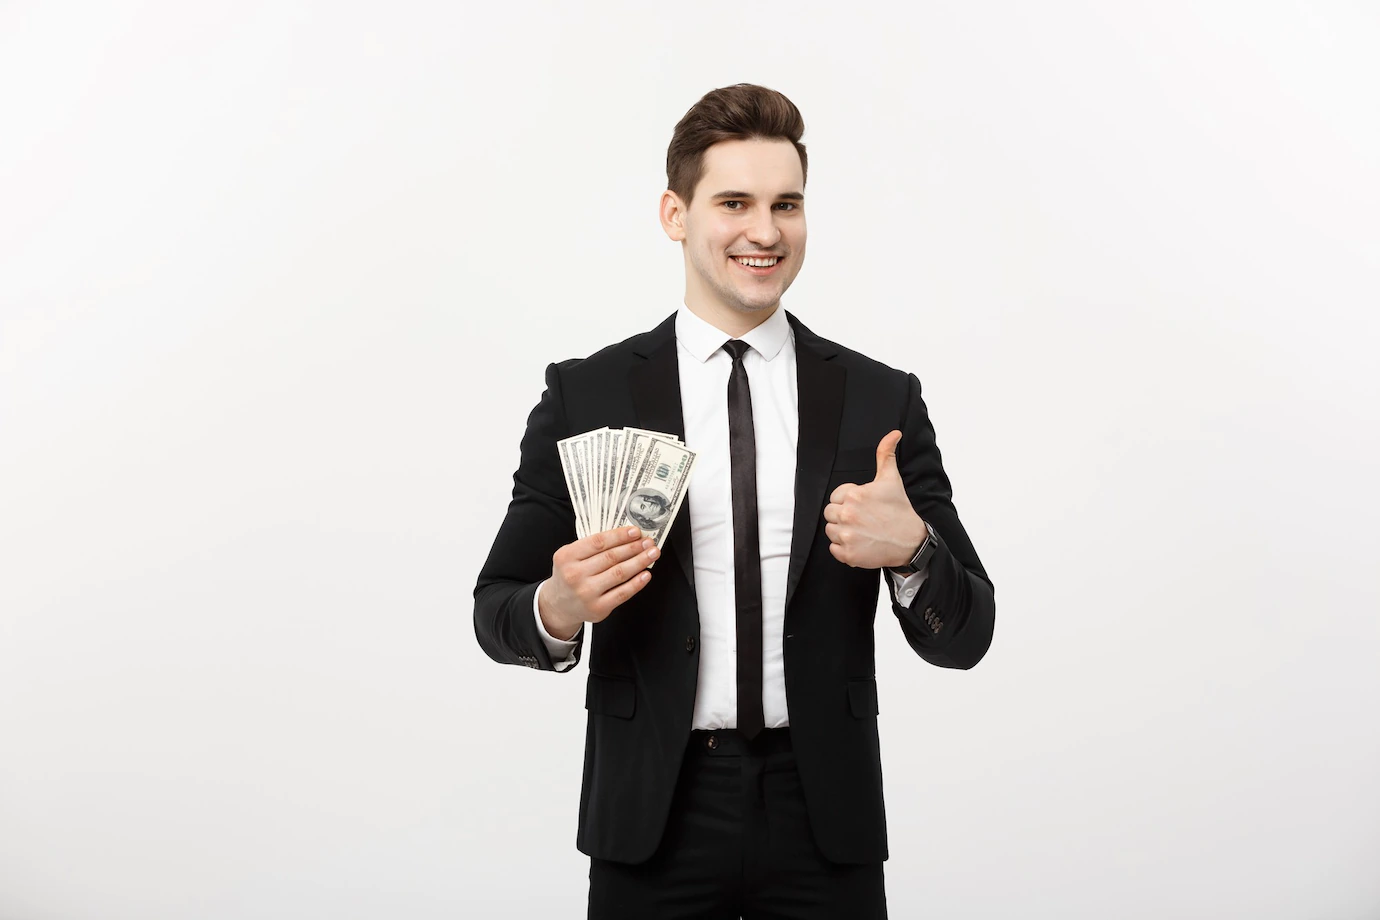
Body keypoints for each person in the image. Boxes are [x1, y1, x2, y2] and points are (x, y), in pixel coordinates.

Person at [474, 83, 995, 920]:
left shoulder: (878, 401)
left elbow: (970, 634)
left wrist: (914, 554)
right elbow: (494, 609)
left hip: (824, 814)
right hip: (652, 811)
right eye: (735, 202)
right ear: (675, 215)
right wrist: (559, 606)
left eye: (786, 203)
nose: (765, 230)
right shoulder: (586, 394)